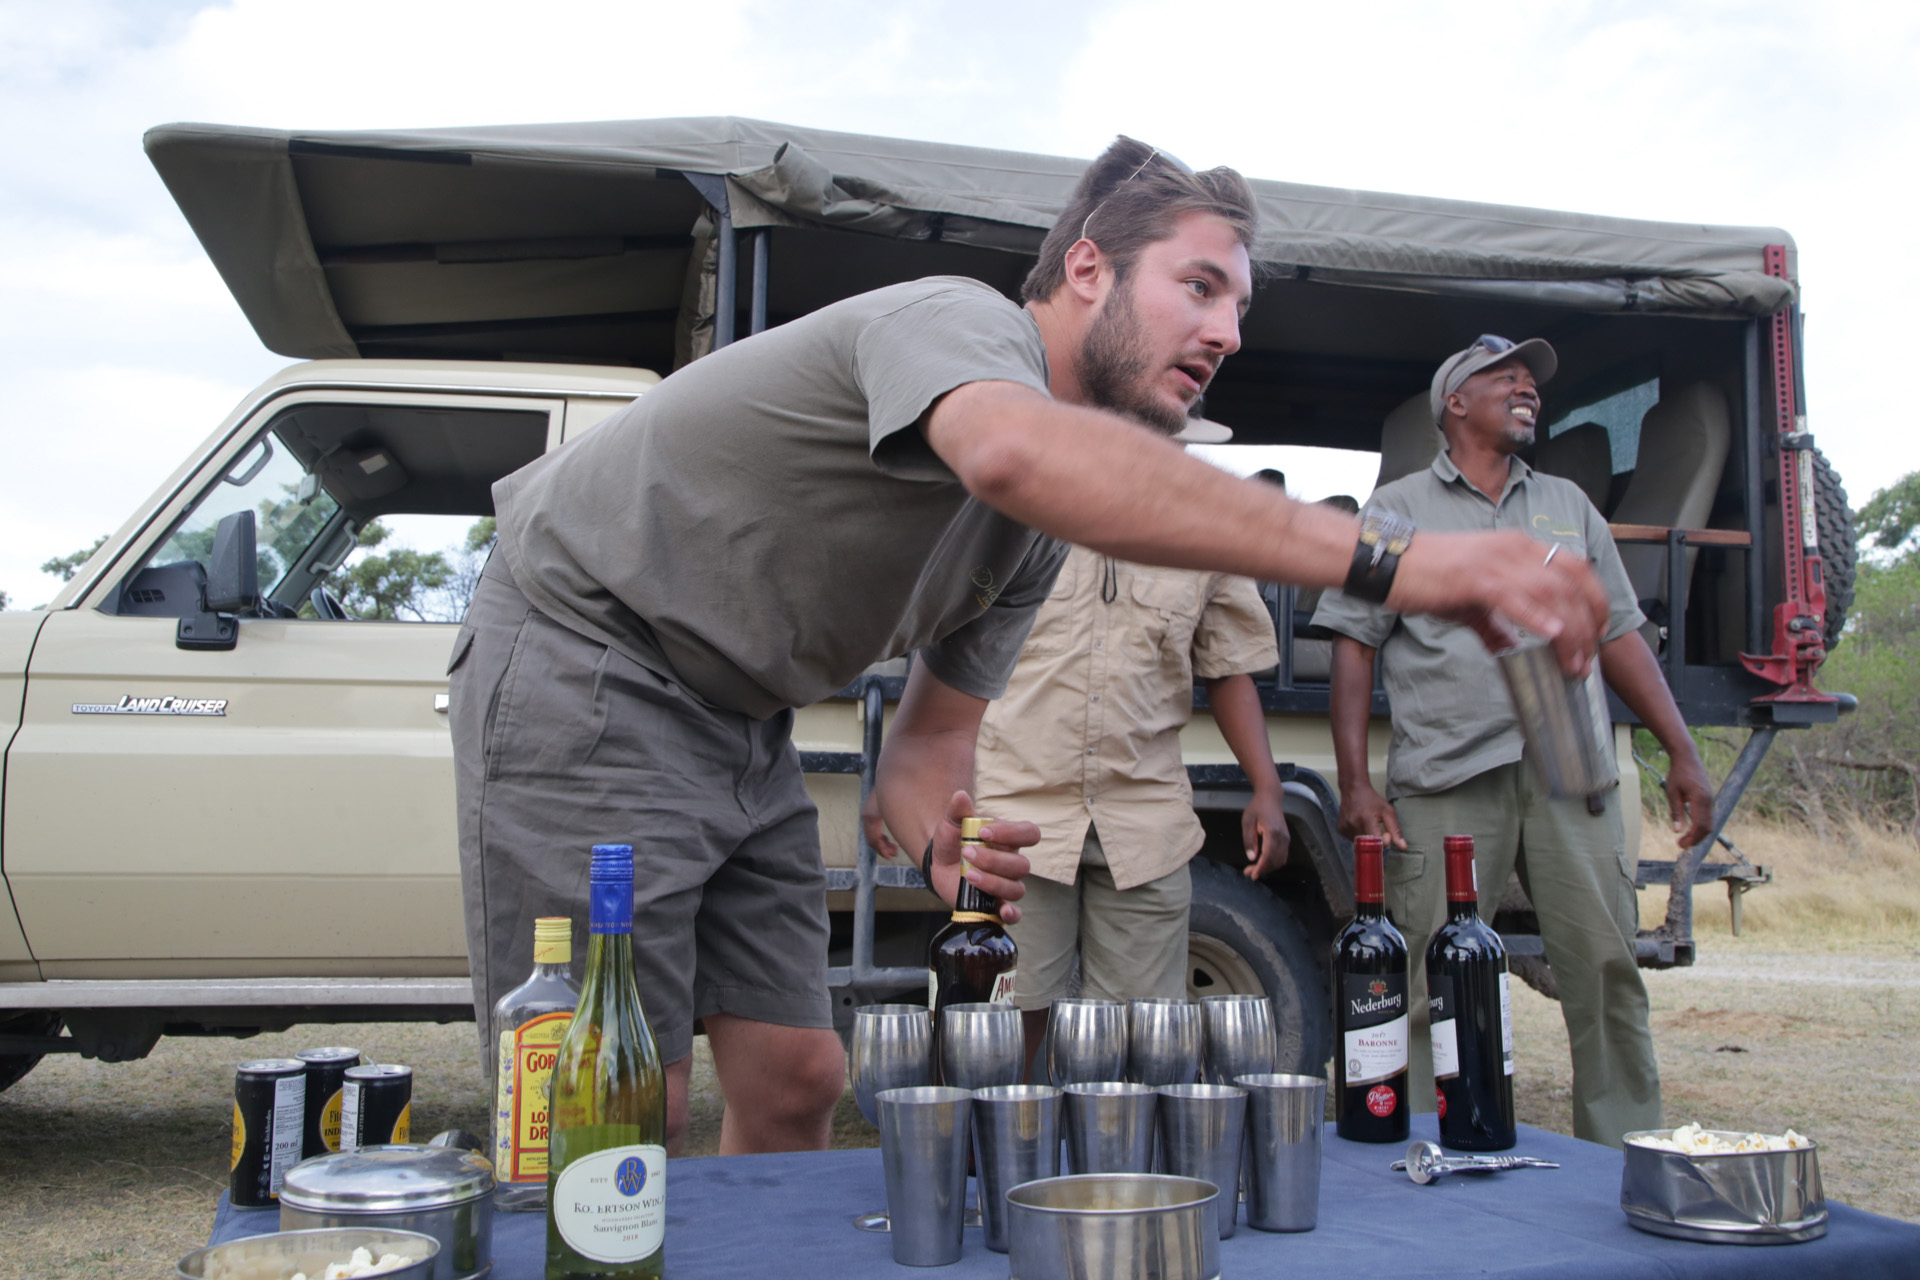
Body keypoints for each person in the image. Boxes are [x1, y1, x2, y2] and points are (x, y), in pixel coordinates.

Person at [451, 138, 1612, 1160]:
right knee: (610, 1102)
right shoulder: (959, 322)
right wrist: (1392, 559)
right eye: (1199, 285)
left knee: (801, 1075)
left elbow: (930, 748)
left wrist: (947, 842)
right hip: (591, 655)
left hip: (744, 717)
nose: (1225, 332)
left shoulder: (1035, 536)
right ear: (1090, 268)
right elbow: (1014, 450)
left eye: (1240, 308)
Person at [1311, 335, 1716, 1147]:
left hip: (1570, 766)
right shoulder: (1397, 509)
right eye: (1506, 377)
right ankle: (1414, 1148)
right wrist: (1356, 781)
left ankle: (1622, 1152)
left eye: (1532, 380)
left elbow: (1621, 635)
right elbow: (1354, 643)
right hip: (1450, 768)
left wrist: (1682, 749)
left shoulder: (1568, 505)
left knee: (1604, 971)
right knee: (1422, 975)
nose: (1527, 386)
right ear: (1454, 402)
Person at [868, 420, 1287, 1073]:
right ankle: (994, 1165)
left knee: (1140, 1039)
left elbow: (1230, 668)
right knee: (1000, 1027)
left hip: (1144, 822)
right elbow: (941, 653)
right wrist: (891, 785)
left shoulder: (1206, 526)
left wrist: (1266, 785)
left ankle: (1113, 1171)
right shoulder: (1012, 505)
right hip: (1010, 820)